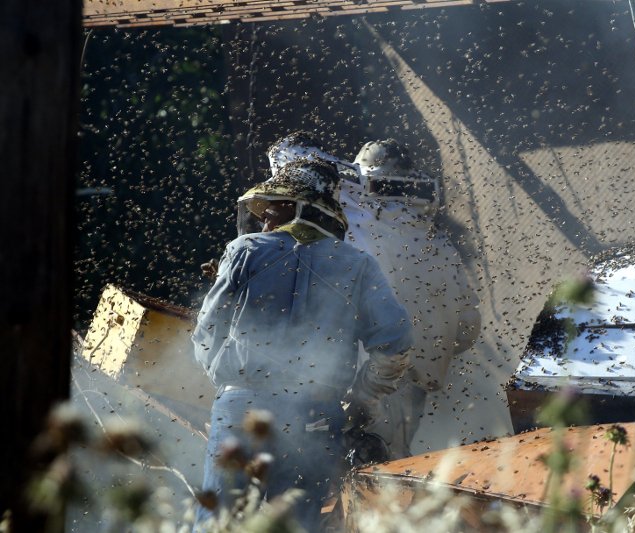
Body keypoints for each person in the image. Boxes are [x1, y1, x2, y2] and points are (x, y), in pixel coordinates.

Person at [192, 159, 413, 530]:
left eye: (271, 211)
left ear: (297, 208)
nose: (265, 222)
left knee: (218, 523)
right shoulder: (358, 265)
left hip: (241, 408)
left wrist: (229, 382)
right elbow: (395, 344)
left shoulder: (245, 250)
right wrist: (361, 398)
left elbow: (207, 331)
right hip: (315, 413)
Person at [343, 139, 481, 458]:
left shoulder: (350, 235)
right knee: (391, 468)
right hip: (414, 384)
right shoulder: (442, 246)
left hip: (361, 383)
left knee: (358, 473)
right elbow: (468, 329)